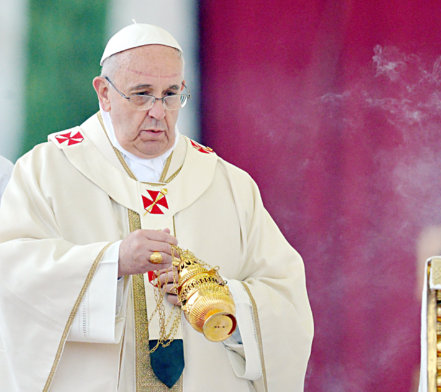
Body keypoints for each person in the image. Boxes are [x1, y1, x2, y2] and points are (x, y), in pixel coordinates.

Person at [0, 23, 313, 392]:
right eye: (142, 94)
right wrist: (111, 263)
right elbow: (13, 274)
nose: (158, 112)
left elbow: (287, 301)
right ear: (104, 93)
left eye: (170, 94)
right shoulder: (47, 171)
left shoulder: (228, 184)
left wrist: (225, 300)